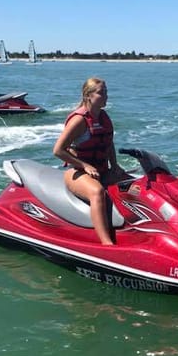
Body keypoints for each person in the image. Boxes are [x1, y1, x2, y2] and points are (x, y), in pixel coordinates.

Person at [53, 77, 129, 245]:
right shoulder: (79, 120)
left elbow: (108, 144)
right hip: (78, 172)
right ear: (88, 96)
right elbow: (58, 150)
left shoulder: (103, 117)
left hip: (101, 170)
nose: (106, 96)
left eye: (107, 92)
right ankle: (106, 243)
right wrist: (84, 165)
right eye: (101, 93)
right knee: (97, 192)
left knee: (133, 184)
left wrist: (115, 166)